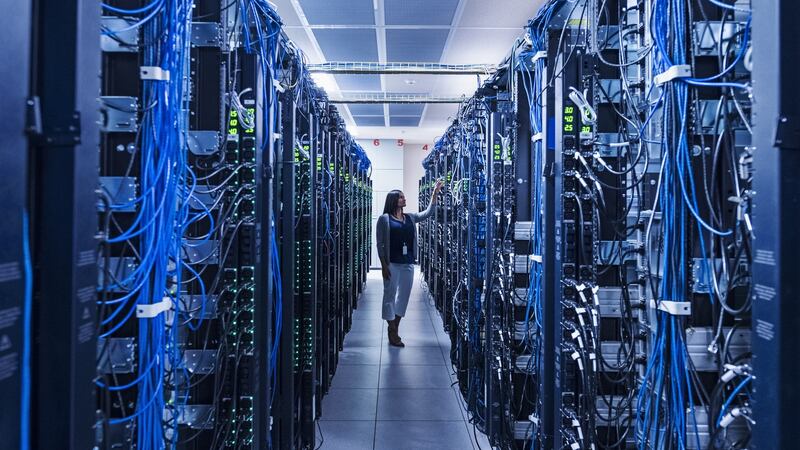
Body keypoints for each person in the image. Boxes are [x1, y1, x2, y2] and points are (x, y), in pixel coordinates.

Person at [375, 180, 444, 347]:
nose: (404, 199)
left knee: (403, 297)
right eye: (401, 197)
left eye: (404, 197)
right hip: (391, 263)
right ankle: (392, 329)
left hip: (407, 263)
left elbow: (427, 213)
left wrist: (435, 193)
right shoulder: (384, 219)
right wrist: (384, 265)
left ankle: (395, 327)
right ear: (393, 201)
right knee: (389, 296)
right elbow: (380, 243)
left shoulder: (410, 218)